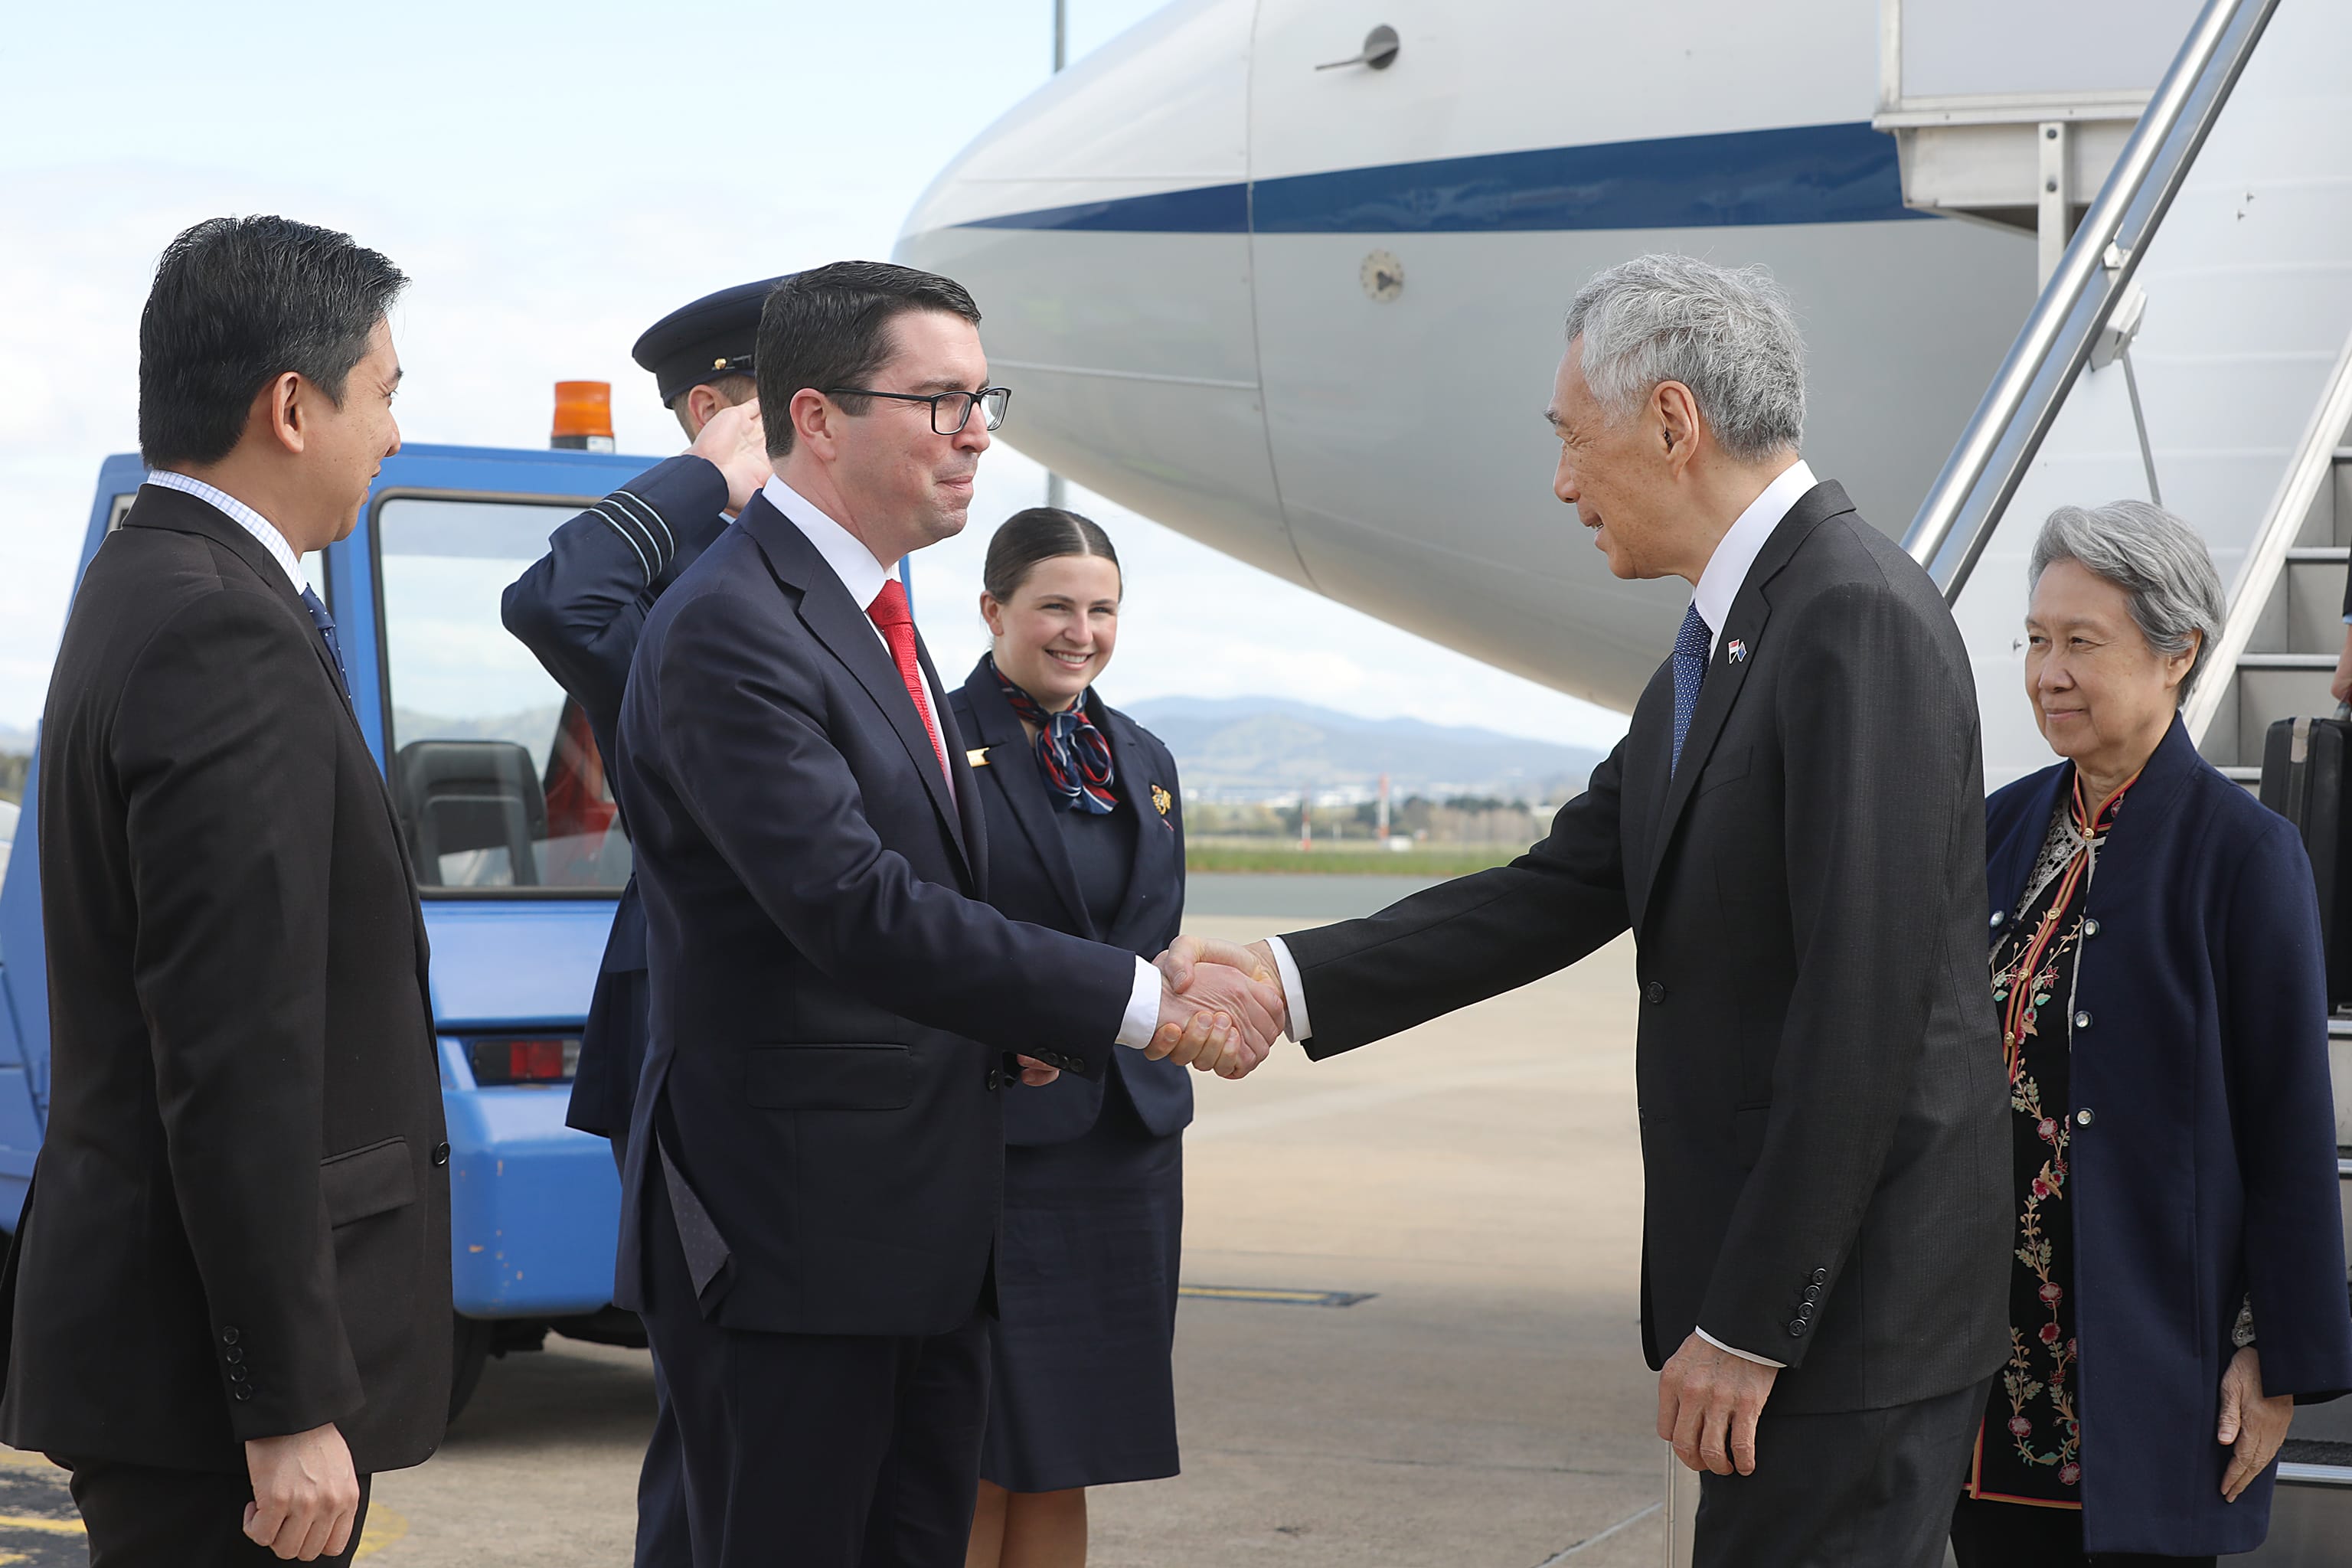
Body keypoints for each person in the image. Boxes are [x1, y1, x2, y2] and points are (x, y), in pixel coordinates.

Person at [1162, 253, 2012, 1568]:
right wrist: (1283, 979)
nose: (1562, 484)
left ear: (1673, 424)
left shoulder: (1851, 618)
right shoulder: (1729, 638)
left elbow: (1868, 1012)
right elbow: (1562, 887)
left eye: (1572, 440)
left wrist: (1755, 1322)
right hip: (1797, 1307)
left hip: (1847, 1321)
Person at [606, 260, 1279, 1568]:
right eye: (940, 402)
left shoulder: (873, 620)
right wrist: (1136, 1004)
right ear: (816, 418)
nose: (979, 434)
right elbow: (853, 908)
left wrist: (1008, 1029)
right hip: (794, 1237)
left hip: (913, 1229)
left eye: (984, 400)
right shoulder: (735, 626)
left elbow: (926, 907)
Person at [0, 216, 450, 1563]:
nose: (390, 434)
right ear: (293, 406)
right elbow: (234, 1048)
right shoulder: (221, 626)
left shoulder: (145, 578)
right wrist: (290, 1402)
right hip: (211, 1395)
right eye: (383, 394)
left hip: (170, 1355)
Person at [1950, 501, 2352, 1564]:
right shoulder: (1996, 829)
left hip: (2144, 1379)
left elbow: (2289, 1133)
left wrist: (2274, 1361)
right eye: (2037, 641)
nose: (2049, 673)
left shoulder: (2245, 856)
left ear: (2179, 655)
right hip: (1978, 1389)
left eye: (2083, 643)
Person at [501, 279, 777, 1568]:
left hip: (812, 1077)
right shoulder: (694, 592)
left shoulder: (805, 579)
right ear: (723, 417)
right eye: (803, 408)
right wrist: (708, 478)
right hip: (706, 1052)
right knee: (720, 1446)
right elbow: (557, 600)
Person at [950, 511, 1192, 1568]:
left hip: (1122, 1149)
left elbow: (1145, 935)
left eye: (1101, 609)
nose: (1079, 631)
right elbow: (911, 931)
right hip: (997, 1139)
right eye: (1054, 605)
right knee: (980, 1443)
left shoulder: (1140, 758)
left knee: (1073, 1447)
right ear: (996, 610)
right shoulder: (939, 746)